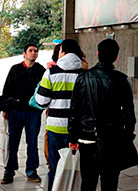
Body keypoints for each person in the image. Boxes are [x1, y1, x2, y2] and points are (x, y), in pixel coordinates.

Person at [68, 38, 136, 191]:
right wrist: (128, 136)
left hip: (87, 138)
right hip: (112, 139)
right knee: (110, 181)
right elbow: (129, 113)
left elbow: (74, 110)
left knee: (88, 182)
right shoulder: (121, 80)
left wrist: (72, 136)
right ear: (116, 57)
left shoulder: (83, 77)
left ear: (97, 53)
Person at [35, 39, 84, 191]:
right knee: (75, 169)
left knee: (55, 168)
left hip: (55, 128)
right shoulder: (84, 74)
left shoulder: (51, 72)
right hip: (77, 130)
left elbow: (41, 101)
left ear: (63, 52)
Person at [1, 44, 45, 184]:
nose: (33, 53)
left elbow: (45, 90)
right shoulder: (15, 69)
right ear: (24, 54)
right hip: (16, 111)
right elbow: (7, 89)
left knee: (32, 143)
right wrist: (5, 109)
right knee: (13, 142)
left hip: (33, 112)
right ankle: (9, 171)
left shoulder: (40, 70)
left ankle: (32, 170)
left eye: (35, 51)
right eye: (30, 51)